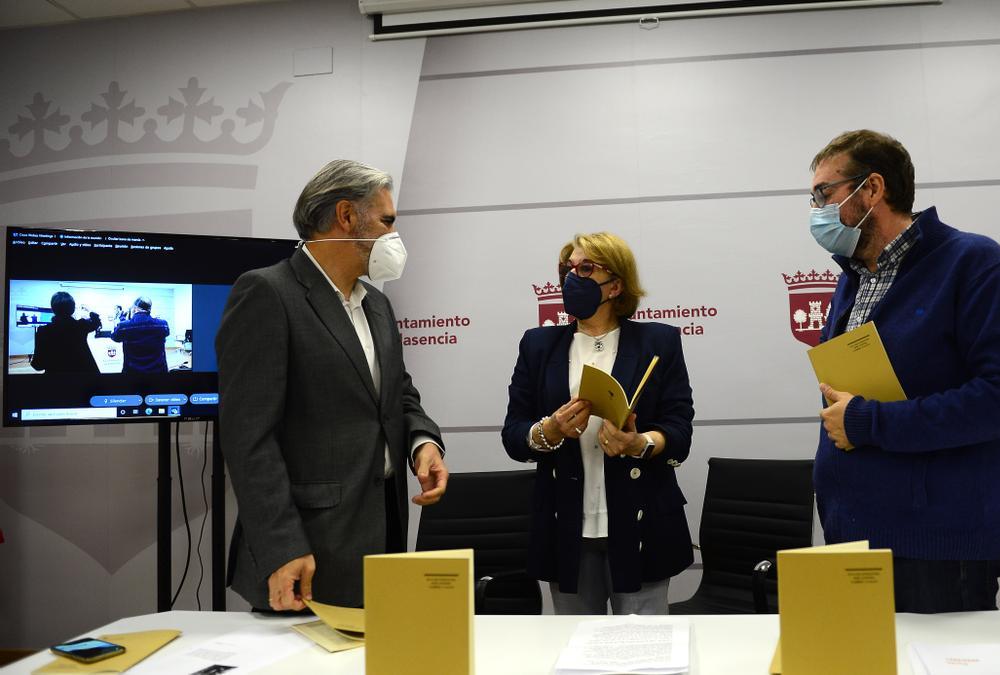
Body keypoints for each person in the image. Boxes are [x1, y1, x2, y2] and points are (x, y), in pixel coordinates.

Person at [807, 130, 1000, 614]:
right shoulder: (852, 279)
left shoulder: (973, 262)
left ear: (872, 189)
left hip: (938, 548)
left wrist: (868, 422)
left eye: (824, 194)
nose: (816, 210)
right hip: (851, 536)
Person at [216, 159, 449, 611]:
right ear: (346, 216)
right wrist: (282, 548)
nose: (393, 235)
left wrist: (423, 442)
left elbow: (398, 393)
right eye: (386, 221)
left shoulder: (377, 304)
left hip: (381, 538)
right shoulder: (267, 293)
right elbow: (249, 439)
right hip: (307, 550)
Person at [501, 232, 695, 615]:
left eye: (586, 268)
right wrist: (549, 431)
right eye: (567, 269)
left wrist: (638, 444)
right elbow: (513, 434)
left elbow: (680, 430)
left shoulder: (660, 341)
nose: (572, 277)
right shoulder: (538, 345)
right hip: (565, 525)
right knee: (573, 650)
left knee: (642, 655)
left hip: (642, 523)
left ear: (615, 285)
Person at [30, 292, 101, 374]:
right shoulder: (81, 325)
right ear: (73, 309)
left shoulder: (43, 330)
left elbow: (38, 365)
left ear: (53, 309)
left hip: (56, 379)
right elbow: (96, 321)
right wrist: (89, 310)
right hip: (82, 377)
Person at [110, 296, 169, 374]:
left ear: (134, 308)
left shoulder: (123, 326)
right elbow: (166, 333)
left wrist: (121, 320)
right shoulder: (163, 325)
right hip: (158, 373)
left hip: (132, 373)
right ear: (150, 309)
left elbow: (115, 337)